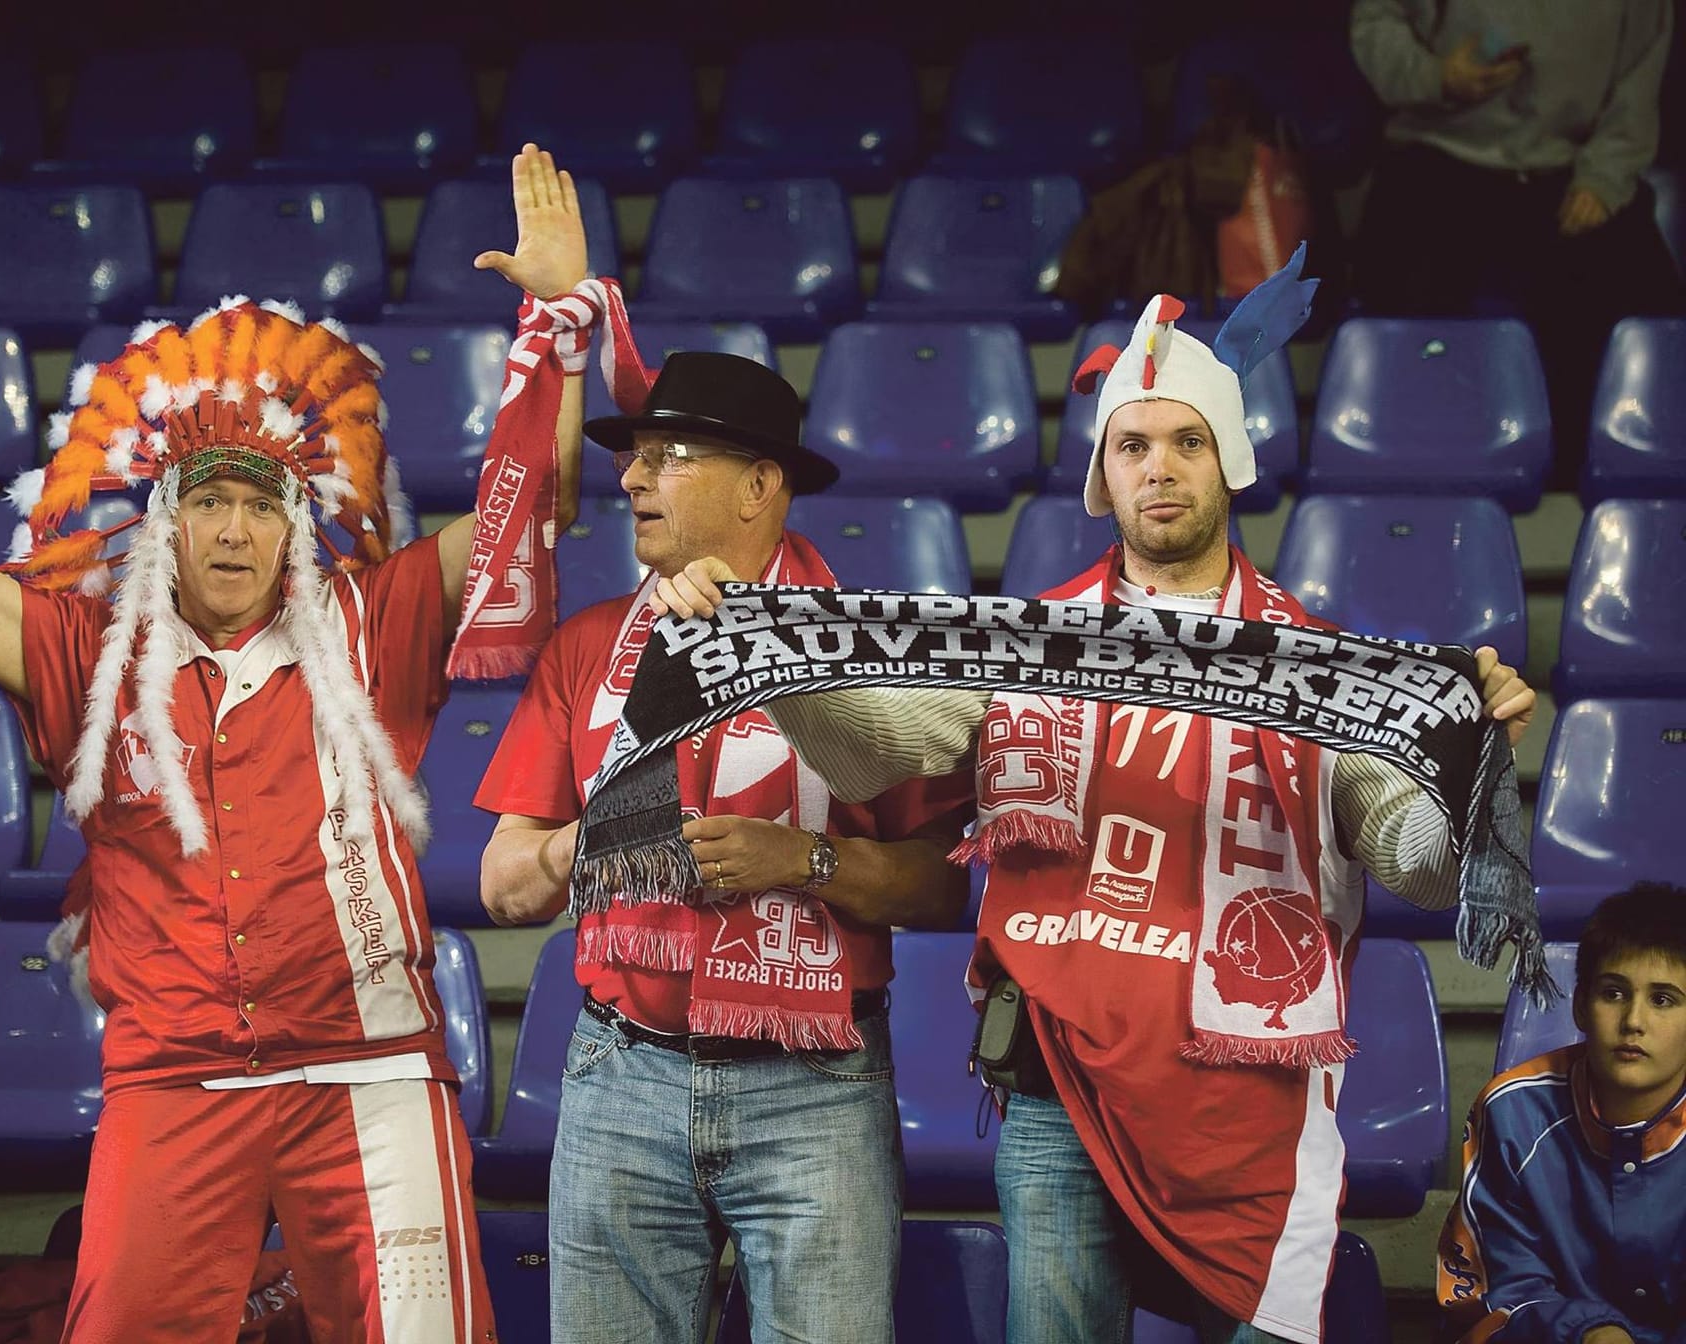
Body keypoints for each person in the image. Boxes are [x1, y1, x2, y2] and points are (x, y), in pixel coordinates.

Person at [0, 145, 592, 1342]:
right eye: (207, 505)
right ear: (162, 529)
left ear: (297, 529)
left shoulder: (372, 624)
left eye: (261, 505)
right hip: (175, 1078)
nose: (234, 529)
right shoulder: (83, 652)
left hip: (367, 1069)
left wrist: (555, 322)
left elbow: (530, 503)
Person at [649, 291, 1539, 1344]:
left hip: (1244, 1108)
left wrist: (1472, 775)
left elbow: (1416, 862)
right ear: (1101, 476)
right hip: (1054, 1085)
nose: (1157, 467)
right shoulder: (1034, 645)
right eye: (1131, 446)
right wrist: (771, 661)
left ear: (1228, 463)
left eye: (1184, 442)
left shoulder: (1315, 669)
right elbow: (874, 747)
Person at [474, 351, 976, 1344]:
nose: (628, 479)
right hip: (618, 1075)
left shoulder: (873, 659)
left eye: (666, 457)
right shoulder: (588, 648)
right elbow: (501, 887)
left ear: (759, 485)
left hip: (813, 1093)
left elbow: (937, 892)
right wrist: (607, 834)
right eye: (634, 459)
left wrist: (804, 863)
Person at [1349, 0, 1685, 471]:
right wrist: (1435, 74)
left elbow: (1639, 85)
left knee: (1646, 313)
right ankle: (1409, 477)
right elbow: (1376, 20)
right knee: (1404, 282)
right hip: (1441, 149)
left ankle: (1588, 485)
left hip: (1569, 166)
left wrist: (1604, 179)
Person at [1437, 882, 1686, 1344]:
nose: (1634, 1020)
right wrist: (1587, 1333)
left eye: (1663, 999)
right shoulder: (1513, 1113)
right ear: (1580, 1006)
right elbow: (1489, 1296)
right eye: (1613, 993)